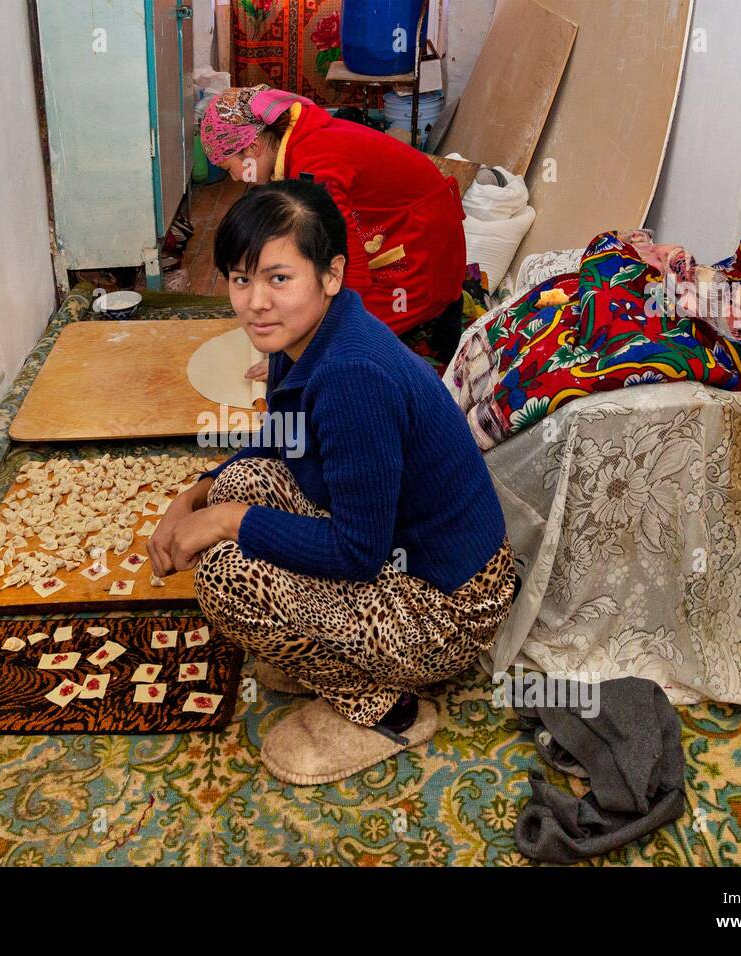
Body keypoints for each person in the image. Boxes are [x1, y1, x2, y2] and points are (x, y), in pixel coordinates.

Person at [146, 179, 518, 785]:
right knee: (244, 478)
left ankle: (386, 706)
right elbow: (281, 438)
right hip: (406, 563)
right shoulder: (301, 336)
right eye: (242, 280)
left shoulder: (353, 378)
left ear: (332, 274)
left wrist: (225, 519)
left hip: (448, 609)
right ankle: (330, 648)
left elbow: (357, 552)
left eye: (279, 278)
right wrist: (200, 491)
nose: (256, 302)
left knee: (225, 575)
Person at [200, 84, 469, 375]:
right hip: (411, 223)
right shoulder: (300, 133)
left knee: (353, 341)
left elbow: (345, 262)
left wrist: (306, 351)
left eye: (230, 168)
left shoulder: (314, 164)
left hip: (426, 244)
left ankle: (435, 315)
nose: (237, 179)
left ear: (253, 148)